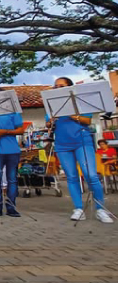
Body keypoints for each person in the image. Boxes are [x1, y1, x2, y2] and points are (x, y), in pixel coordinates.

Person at [48, 77, 113, 223]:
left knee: (91, 175)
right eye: (56, 86)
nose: (57, 88)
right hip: (62, 144)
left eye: (61, 86)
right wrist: (50, 120)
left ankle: (100, 209)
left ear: (70, 88)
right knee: (71, 177)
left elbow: (87, 121)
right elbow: (48, 123)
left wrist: (69, 113)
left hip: (82, 142)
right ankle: (78, 208)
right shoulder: (51, 104)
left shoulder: (81, 101)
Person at [0, 90, 24, 217]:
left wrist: (5, 132)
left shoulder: (14, 111)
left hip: (12, 150)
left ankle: (11, 207)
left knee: (12, 180)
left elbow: (21, 130)